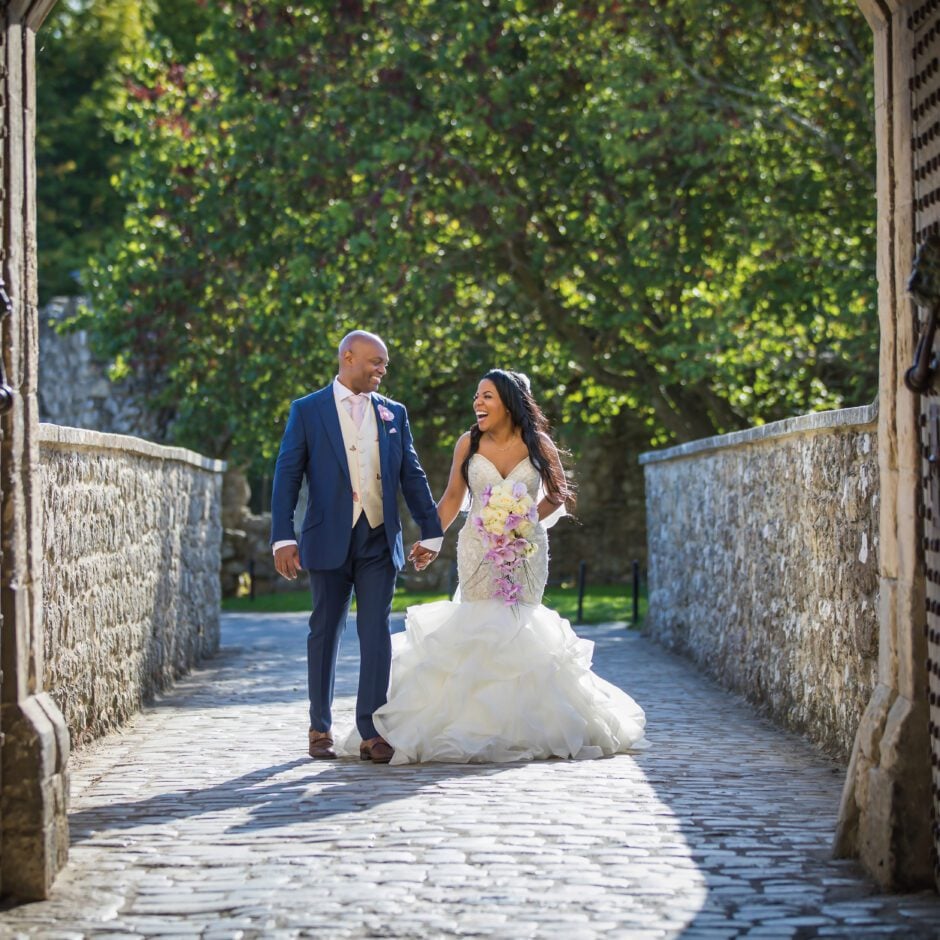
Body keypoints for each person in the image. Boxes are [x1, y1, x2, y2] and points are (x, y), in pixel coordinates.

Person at [374, 369, 648, 763]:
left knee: (520, 623)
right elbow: (452, 497)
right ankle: (475, 725)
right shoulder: (468, 442)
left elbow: (558, 494)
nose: (478, 403)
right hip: (477, 548)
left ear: (508, 401)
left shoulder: (539, 443)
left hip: (527, 549)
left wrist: (524, 520)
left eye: (486, 396)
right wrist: (432, 539)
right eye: (476, 396)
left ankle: (529, 727)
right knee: (480, 624)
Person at [270, 330, 443, 764]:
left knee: (375, 630)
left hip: (378, 539)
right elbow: (287, 475)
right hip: (327, 536)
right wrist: (282, 536)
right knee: (325, 630)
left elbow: (412, 474)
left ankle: (371, 729)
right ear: (348, 357)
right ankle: (319, 727)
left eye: (384, 363)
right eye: (376, 361)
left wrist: (432, 529)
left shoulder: (393, 413)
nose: (382, 370)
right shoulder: (307, 410)